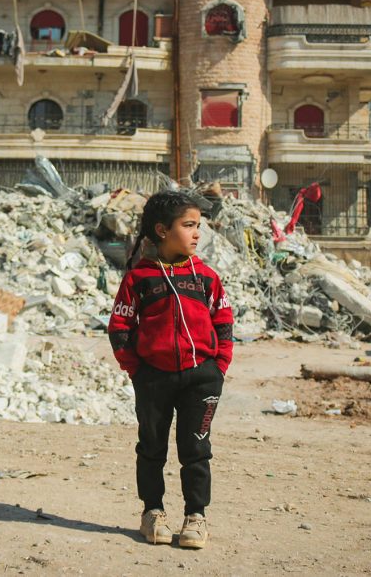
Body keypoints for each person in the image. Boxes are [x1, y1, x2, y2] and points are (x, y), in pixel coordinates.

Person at [108, 190, 234, 549]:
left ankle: (196, 516)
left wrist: (218, 367)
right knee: (152, 447)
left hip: (201, 378)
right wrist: (137, 371)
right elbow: (120, 328)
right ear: (162, 230)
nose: (197, 233)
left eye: (199, 225)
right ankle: (153, 513)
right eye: (189, 225)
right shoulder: (139, 278)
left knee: (196, 449)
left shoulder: (206, 277)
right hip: (154, 379)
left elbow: (224, 321)